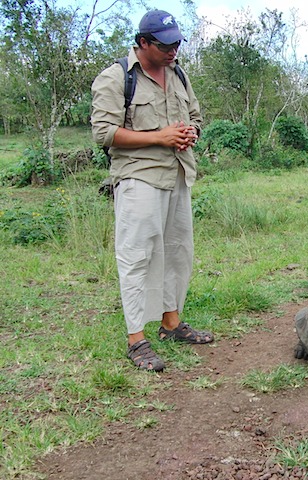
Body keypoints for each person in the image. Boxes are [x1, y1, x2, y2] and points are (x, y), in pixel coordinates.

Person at [91, 10, 213, 371]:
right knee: (138, 256)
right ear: (143, 43)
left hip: (178, 174)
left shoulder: (178, 73)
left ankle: (171, 323)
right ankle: (136, 339)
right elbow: (103, 132)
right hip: (138, 177)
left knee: (177, 252)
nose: (173, 50)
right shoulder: (116, 77)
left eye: (177, 42)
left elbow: (196, 116)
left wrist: (191, 132)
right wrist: (159, 137)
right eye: (165, 44)